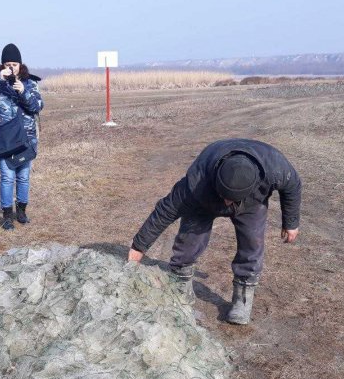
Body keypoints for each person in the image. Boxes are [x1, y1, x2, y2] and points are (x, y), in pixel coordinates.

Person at [128, 138, 302, 325]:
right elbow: (164, 211)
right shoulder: (196, 181)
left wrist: (291, 223)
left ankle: (243, 296)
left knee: (253, 242)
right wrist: (138, 247)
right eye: (225, 196)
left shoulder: (275, 169)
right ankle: (181, 280)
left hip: (251, 204)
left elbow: (293, 187)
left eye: (232, 199)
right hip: (204, 200)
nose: (227, 203)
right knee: (189, 241)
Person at [0, 43, 43, 230]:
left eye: (14, 64)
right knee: (7, 177)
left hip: (27, 137)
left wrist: (23, 92)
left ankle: (21, 211)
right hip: (5, 138)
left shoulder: (30, 83)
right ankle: (7, 215)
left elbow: (37, 107)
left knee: (23, 177)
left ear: (20, 65)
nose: (11, 67)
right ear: (2, 66)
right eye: (7, 64)